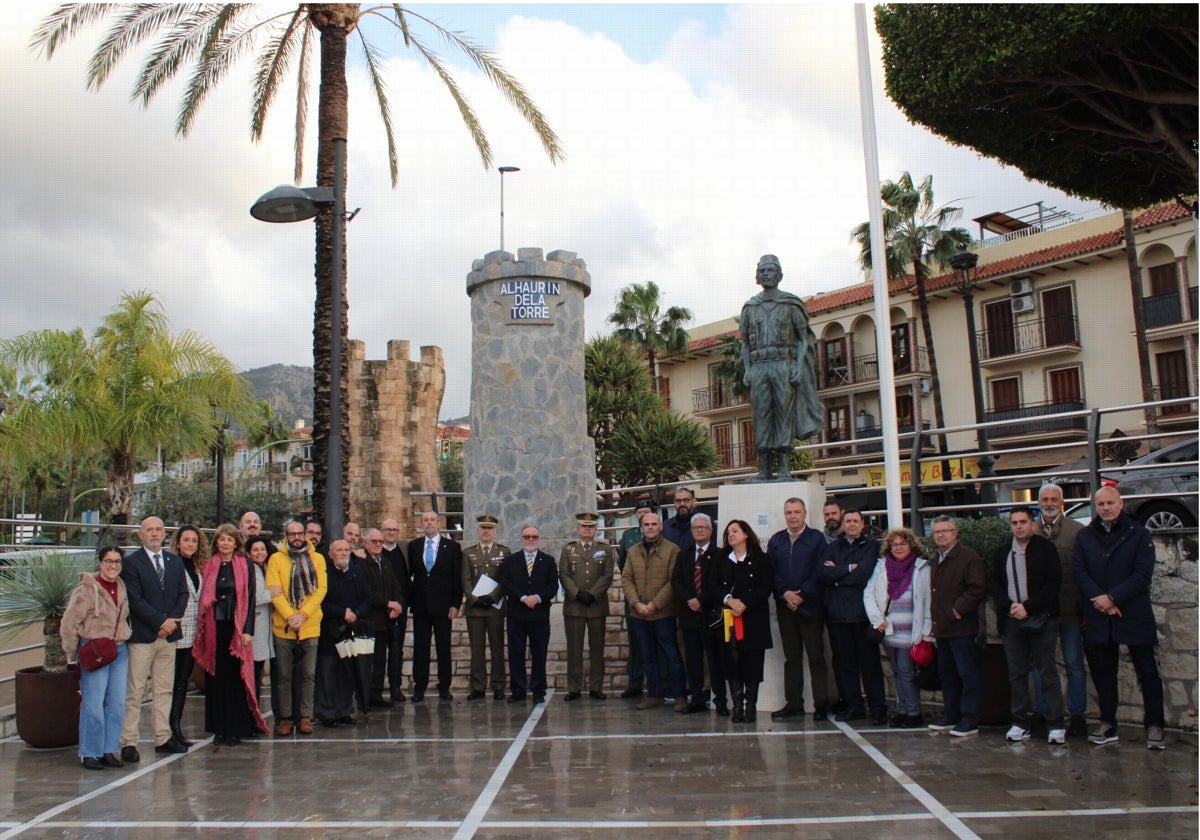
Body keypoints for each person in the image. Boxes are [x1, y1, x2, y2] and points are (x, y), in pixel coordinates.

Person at [1074, 486, 1165, 749]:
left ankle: (1155, 724)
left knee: (1147, 670)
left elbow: (1142, 575)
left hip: (1132, 612)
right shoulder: (1086, 536)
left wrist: (1112, 598)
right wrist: (1101, 600)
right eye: (1100, 504)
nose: (1105, 508)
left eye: (1110, 503)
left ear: (1121, 503)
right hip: (1099, 614)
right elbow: (1080, 572)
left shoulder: (1139, 535)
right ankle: (1108, 724)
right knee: (1103, 672)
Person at [739, 254, 823, 481]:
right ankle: (764, 468)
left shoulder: (790, 304)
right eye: (763, 270)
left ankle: (784, 467)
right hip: (759, 366)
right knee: (761, 415)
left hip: (783, 364)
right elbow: (745, 343)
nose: (766, 274)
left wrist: (797, 365)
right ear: (757, 276)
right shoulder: (750, 307)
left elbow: (802, 338)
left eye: (771, 270)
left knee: (784, 414)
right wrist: (747, 368)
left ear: (779, 275)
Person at [991, 506, 1064, 744]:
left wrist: (1028, 607)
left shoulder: (1046, 549)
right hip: (1012, 621)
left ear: (1032, 525)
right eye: (1014, 523)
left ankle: (1056, 724)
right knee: (1016, 674)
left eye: (1023, 522)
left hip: (1042, 619)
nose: (1019, 526)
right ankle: (1020, 722)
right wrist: (1010, 606)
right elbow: (995, 584)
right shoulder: (1003, 552)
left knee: (1047, 672)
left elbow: (1054, 584)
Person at [120, 515, 189, 762]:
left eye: (158, 529)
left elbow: (183, 594)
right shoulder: (131, 563)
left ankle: (163, 737)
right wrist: (160, 622)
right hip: (142, 637)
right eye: (149, 530)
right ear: (140, 535)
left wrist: (171, 622)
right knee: (135, 691)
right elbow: (135, 599)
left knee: (164, 689)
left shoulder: (174, 562)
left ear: (164, 534)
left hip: (168, 637)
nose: (154, 533)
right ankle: (129, 741)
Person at [192, 524, 267, 746]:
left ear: (236, 543)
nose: (225, 543)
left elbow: (251, 600)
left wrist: (248, 630)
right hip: (215, 628)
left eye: (229, 540)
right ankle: (219, 729)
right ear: (216, 543)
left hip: (237, 629)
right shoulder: (209, 565)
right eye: (222, 539)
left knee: (236, 679)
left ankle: (236, 728)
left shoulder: (245, 565)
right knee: (216, 680)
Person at [62, 545, 132, 770]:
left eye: (117, 561)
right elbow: (69, 623)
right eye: (109, 561)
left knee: (117, 703)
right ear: (100, 563)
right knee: (93, 704)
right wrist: (71, 653)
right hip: (94, 649)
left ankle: (109, 749)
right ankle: (90, 751)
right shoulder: (86, 590)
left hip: (118, 649)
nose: (113, 566)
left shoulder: (120, 586)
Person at [818, 508, 886, 725]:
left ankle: (877, 708)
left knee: (870, 665)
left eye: (856, 521)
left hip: (862, 615)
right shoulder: (832, 547)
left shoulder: (872, 546)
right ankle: (854, 706)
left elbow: (864, 574)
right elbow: (822, 574)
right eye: (848, 521)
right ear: (843, 524)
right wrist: (846, 569)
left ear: (862, 524)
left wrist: (837, 575)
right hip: (837, 615)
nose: (852, 524)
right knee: (844, 665)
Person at [767, 497, 830, 721]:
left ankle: (821, 703)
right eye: (789, 512)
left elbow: (820, 570)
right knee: (791, 658)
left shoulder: (816, 539)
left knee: (816, 657)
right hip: (786, 607)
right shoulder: (776, 541)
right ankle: (794, 702)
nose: (792, 516)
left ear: (804, 514)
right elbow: (772, 572)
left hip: (810, 607)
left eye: (796, 512)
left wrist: (802, 594)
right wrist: (785, 593)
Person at [1034, 483, 1088, 737]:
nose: (1049, 503)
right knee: (1041, 664)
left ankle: (1078, 714)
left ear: (1062, 502)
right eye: (1045, 498)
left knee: (1074, 663)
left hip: (1069, 610)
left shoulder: (1077, 532)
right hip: (1041, 613)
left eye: (1054, 499)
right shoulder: (1029, 530)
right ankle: (1043, 712)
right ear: (1038, 502)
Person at [864, 527, 931, 728]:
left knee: (905, 671)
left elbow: (928, 600)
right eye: (895, 544)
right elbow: (869, 594)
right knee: (897, 671)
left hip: (911, 631)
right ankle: (902, 711)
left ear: (911, 545)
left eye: (903, 543)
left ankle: (913, 712)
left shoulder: (921, 568)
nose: (899, 547)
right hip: (889, 629)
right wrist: (877, 620)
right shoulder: (881, 567)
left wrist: (926, 631)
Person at [926, 515, 986, 738]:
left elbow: (977, 588)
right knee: (947, 675)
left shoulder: (967, 557)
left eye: (945, 531)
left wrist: (957, 609)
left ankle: (970, 719)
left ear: (955, 533)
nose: (941, 535)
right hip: (942, 628)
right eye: (937, 532)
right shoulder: (935, 559)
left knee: (967, 675)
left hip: (961, 627)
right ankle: (951, 715)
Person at [266, 519, 328, 736]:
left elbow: (320, 590)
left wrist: (302, 615)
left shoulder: (317, 559)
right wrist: (291, 616)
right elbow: (274, 591)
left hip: (309, 625)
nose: (296, 538)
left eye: (299, 533)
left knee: (309, 674)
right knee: (284, 675)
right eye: (291, 534)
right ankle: (285, 718)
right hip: (284, 627)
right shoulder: (275, 559)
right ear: (286, 536)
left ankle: (305, 717)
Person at [621, 511, 686, 712]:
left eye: (653, 524)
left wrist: (654, 605)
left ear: (661, 526)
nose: (650, 527)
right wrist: (637, 603)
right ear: (642, 527)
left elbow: (672, 582)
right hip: (639, 614)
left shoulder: (672, 550)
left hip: (663, 614)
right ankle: (654, 694)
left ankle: (679, 696)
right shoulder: (633, 551)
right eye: (646, 524)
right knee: (647, 656)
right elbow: (626, 579)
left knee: (671, 655)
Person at [715, 519, 774, 723]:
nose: (731, 534)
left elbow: (765, 587)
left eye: (735, 531)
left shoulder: (761, 559)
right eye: (728, 532)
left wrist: (744, 603)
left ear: (746, 534)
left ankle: (751, 707)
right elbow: (714, 585)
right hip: (729, 619)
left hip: (753, 617)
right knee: (733, 662)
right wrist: (729, 600)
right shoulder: (722, 559)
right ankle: (737, 706)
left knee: (752, 664)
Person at [671, 512, 728, 715]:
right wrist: (689, 600)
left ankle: (720, 700)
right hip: (689, 615)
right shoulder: (684, 554)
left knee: (715, 660)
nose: (700, 530)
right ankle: (696, 699)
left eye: (703, 527)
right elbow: (676, 581)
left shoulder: (720, 554)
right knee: (692, 660)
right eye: (696, 527)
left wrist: (700, 601)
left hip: (711, 616)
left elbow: (719, 584)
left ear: (711, 531)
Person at [406, 510, 462, 702]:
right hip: (421, 605)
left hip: (443, 606)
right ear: (422, 523)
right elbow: (410, 575)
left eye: (432, 520)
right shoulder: (414, 546)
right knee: (420, 648)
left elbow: (457, 578)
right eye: (425, 520)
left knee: (443, 647)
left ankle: (444, 687)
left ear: (439, 523)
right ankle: (419, 687)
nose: (428, 523)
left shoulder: (452, 547)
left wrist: (455, 604)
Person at [560, 513, 617, 701]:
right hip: (574, 606)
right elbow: (564, 574)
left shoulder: (605, 549)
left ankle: (596, 687)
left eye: (591, 526)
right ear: (578, 529)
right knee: (574, 649)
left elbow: (607, 575)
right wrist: (577, 593)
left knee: (597, 649)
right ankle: (574, 688)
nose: (587, 529)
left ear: (596, 529)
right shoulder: (568, 550)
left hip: (596, 605)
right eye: (584, 526)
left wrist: (592, 594)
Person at [315, 539, 372, 726]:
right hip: (330, 630)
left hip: (351, 629)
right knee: (328, 672)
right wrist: (342, 612)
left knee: (347, 673)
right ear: (331, 554)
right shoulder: (324, 574)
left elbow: (367, 597)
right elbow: (321, 601)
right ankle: (327, 713)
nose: (344, 553)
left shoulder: (357, 571)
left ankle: (344, 711)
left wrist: (356, 613)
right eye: (339, 550)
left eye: (347, 550)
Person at [499, 526, 559, 703]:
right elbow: (506, 582)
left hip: (539, 614)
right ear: (521, 539)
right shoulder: (511, 561)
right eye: (527, 536)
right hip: (517, 614)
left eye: (534, 537)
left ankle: (539, 689)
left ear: (539, 539)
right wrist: (523, 597)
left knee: (539, 653)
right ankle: (518, 689)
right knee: (516, 653)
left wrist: (538, 598)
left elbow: (553, 585)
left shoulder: (548, 561)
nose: (530, 540)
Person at [167, 524, 207, 747]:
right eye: (186, 540)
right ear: (178, 542)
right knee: (171, 682)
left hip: (192, 632)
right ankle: (168, 730)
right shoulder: (172, 565)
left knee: (182, 681)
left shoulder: (197, 567)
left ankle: (176, 727)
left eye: (194, 540)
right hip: (175, 630)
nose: (190, 544)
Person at [462, 515, 510, 701]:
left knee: (497, 647)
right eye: (483, 528)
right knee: (477, 649)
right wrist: (474, 599)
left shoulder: (504, 552)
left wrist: (492, 597)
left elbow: (505, 579)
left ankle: (498, 685)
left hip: (495, 608)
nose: (486, 532)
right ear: (478, 530)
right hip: (475, 609)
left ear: (495, 531)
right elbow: (465, 581)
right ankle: (478, 686)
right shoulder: (468, 553)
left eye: (489, 529)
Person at [616, 497, 657, 699]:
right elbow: (623, 565)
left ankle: (659, 684)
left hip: (657, 599)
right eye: (640, 513)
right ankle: (635, 682)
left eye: (646, 512)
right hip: (634, 598)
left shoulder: (659, 535)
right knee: (636, 641)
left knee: (659, 641)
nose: (642, 516)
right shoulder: (628, 536)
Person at [360, 528, 404, 707]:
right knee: (368, 662)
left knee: (380, 660)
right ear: (365, 543)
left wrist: (398, 605)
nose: (378, 544)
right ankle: (366, 696)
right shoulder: (361, 564)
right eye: (374, 541)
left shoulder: (385, 563)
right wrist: (388, 603)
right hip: (371, 620)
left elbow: (396, 586)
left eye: (380, 541)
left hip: (386, 621)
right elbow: (367, 591)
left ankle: (376, 695)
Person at [379, 517, 411, 701]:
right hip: (380, 610)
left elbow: (405, 580)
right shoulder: (375, 552)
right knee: (379, 650)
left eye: (394, 530)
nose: (391, 532)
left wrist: (399, 605)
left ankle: (395, 687)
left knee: (396, 648)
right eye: (388, 529)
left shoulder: (403, 550)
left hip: (400, 608)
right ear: (382, 531)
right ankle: (375, 689)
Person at [243, 535, 275, 717]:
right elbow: (247, 597)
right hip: (254, 628)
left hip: (267, 628)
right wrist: (271, 595)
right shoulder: (248, 570)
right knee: (252, 676)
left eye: (262, 549)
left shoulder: (267, 568)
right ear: (248, 553)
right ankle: (249, 716)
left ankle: (254, 715)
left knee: (259, 674)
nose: (259, 553)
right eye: (255, 550)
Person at [661, 486, 697, 554]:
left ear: (692, 501)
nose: (682, 504)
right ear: (674, 503)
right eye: (678, 501)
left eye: (686, 500)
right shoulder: (665, 527)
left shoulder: (705, 524)